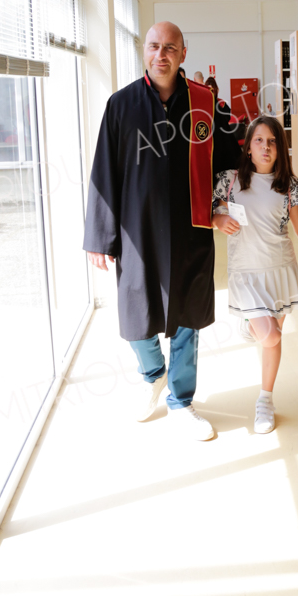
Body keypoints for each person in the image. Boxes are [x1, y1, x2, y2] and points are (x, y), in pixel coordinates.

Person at [83, 22, 240, 440]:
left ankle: (181, 401)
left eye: (170, 48)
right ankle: (153, 373)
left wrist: (219, 207)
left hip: (191, 230)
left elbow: (227, 163)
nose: (161, 55)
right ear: (144, 51)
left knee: (187, 317)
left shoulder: (206, 103)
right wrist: (100, 236)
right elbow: (104, 172)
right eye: (154, 46)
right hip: (137, 230)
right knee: (136, 310)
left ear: (183, 54)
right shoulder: (121, 105)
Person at [213, 116, 298, 434]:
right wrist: (218, 219)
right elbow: (211, 212)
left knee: (272, 339)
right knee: (270, 336)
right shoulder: (230, 181)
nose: (265, 147)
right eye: (259, 140)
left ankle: (265, 400)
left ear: (280, 148)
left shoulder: (289, 186)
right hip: (245, 273)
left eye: (272, 141)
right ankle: (249, 323)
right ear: (248, 147)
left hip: (280, 271)